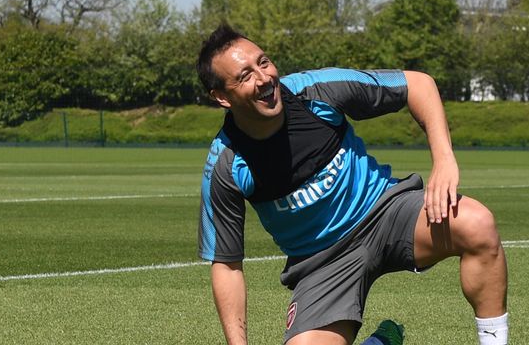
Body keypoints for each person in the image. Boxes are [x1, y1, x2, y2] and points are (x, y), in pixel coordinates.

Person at [196, 24, 509, 345]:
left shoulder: (316, 90)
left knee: (476, 224)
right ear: (222, 96)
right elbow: (227, 265)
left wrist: (443, 159)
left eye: (263, 63)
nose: (263, 79)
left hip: (387, 213)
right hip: (321, 262)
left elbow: (418, 84)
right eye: (244, 76)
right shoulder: (226, 165)